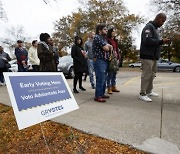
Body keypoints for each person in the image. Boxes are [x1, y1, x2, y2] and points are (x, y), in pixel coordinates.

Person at [139, 13, 171, 102]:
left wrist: (162, 41)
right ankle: (142, 93)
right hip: (147, 56)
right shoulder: (148, 27)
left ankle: (149, 91)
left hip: (154, 56)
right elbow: (147, 40)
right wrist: (161, 41)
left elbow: (156, 42)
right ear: (158, 18)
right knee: (147, 75)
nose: (162, 23)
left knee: (152, 75)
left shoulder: (156, 29)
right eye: (162, 21)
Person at [92, 24, 113, 103]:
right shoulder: (97, 37)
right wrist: (108, 46)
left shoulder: (103, 38)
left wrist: (109, 46)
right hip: (99, 60)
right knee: (100, 78)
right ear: (99, 31)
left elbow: (109, 46)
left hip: (104, 60)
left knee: (104, 78)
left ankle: (102, 93)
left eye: (107, 29)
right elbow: (107, 48)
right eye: (104, 29)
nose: (106, 31)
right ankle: (98, 96)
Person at [106, 28, 120, 94]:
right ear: (110, 32)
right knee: (110, 73)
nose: (114, 32)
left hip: (115, 57)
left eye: (115, 31)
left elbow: (117, 49)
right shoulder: (107, 40)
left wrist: (118, 57)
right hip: (110, 58)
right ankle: (109, 87)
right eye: (113, 31)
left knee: (114, 73)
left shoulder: (115, 40)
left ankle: (113, 86)